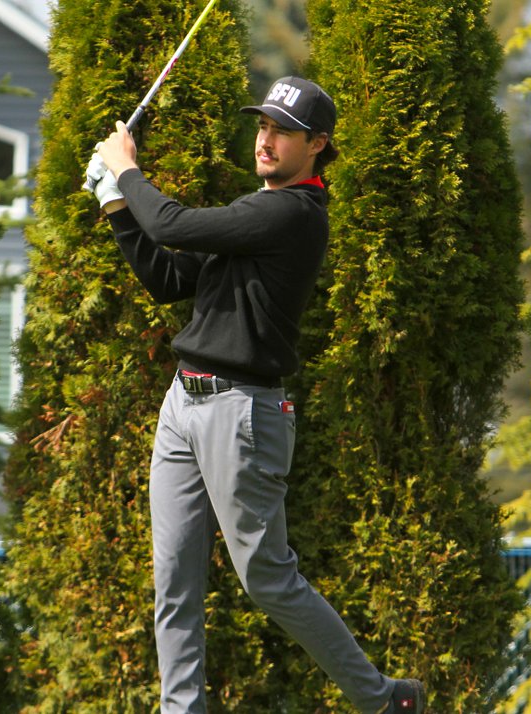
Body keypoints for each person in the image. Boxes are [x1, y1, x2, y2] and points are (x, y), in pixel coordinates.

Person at [84, 76, 425, 714]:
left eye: (283, 132)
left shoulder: (292, 214)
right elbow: (167, 277)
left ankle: (384, 701)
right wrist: (116, 205)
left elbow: (172, 222)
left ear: (317, 144)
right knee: (174, 582)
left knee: (267, 578)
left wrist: (126, 170)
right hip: (182, 406)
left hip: (240, 414)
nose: (265, 140)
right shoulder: (256, 209)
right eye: (262, 126)